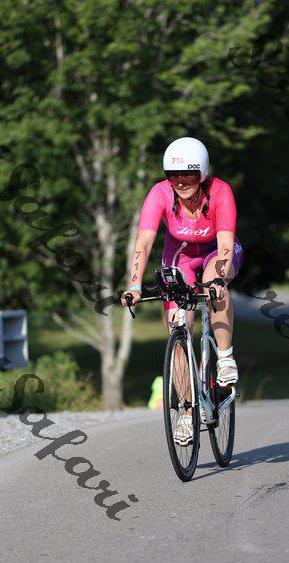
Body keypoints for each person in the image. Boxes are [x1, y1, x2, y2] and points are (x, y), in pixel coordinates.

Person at [122, 137, 244, 444]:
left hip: (218, 252)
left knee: (214, 282)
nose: (180, 183)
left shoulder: (220, 191)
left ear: (202, 174)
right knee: (178, 329)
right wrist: (134, 286)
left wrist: (219, 279)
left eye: (188, 176)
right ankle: (187, 411)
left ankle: (225, 357)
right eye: (173, 176)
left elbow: (225, 243)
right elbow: (144, 243)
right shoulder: (160, 193)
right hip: (181, 256)